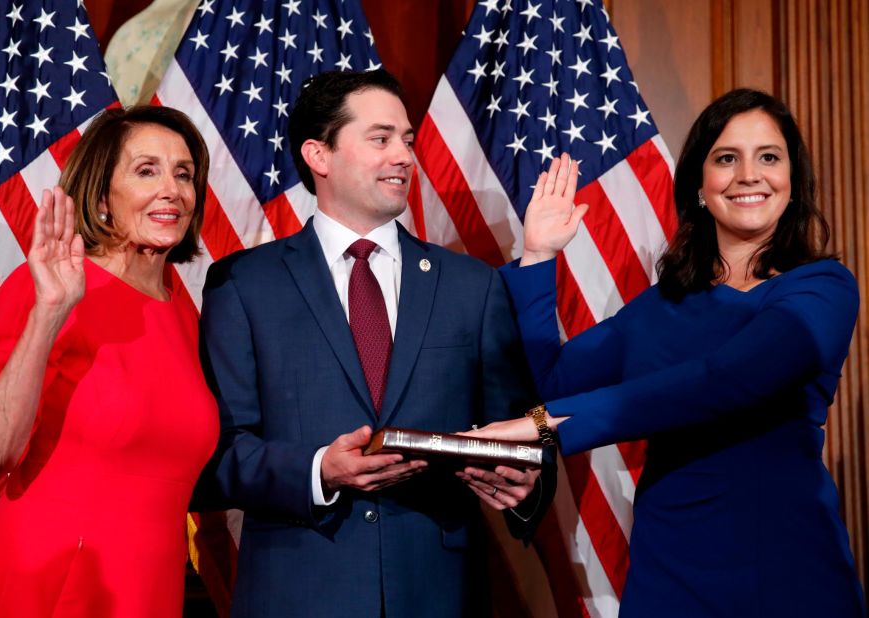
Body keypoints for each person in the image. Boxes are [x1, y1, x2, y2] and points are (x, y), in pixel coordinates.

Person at [471, 89, 866, 616]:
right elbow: (555, 381)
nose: (750, 174)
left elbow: (725, 379)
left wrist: (547, 426)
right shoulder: (659, 308)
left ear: (792, 184)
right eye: (727, 158)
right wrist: (540, 256)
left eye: (769, 157)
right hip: (670, 569)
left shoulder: (823, 289)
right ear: (701, 188)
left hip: (787, 564)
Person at [196, 69, 547, 618]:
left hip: (437, 594)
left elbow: (517, 436)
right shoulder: (243, 284)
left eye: (407, 140)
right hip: (297, 593)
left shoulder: (472, 286)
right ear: (319, 155)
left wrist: (522, 481)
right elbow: (216, 455)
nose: (404, 156)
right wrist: (319, 471)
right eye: (381, 139)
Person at [0, 106, 218, 617]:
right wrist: (49, 312)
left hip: (151, 590)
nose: (173, 189)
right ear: (101, 198)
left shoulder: (183, 313)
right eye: (147, 171)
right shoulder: (52, 291)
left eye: (183, 174)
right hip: (52, 584)